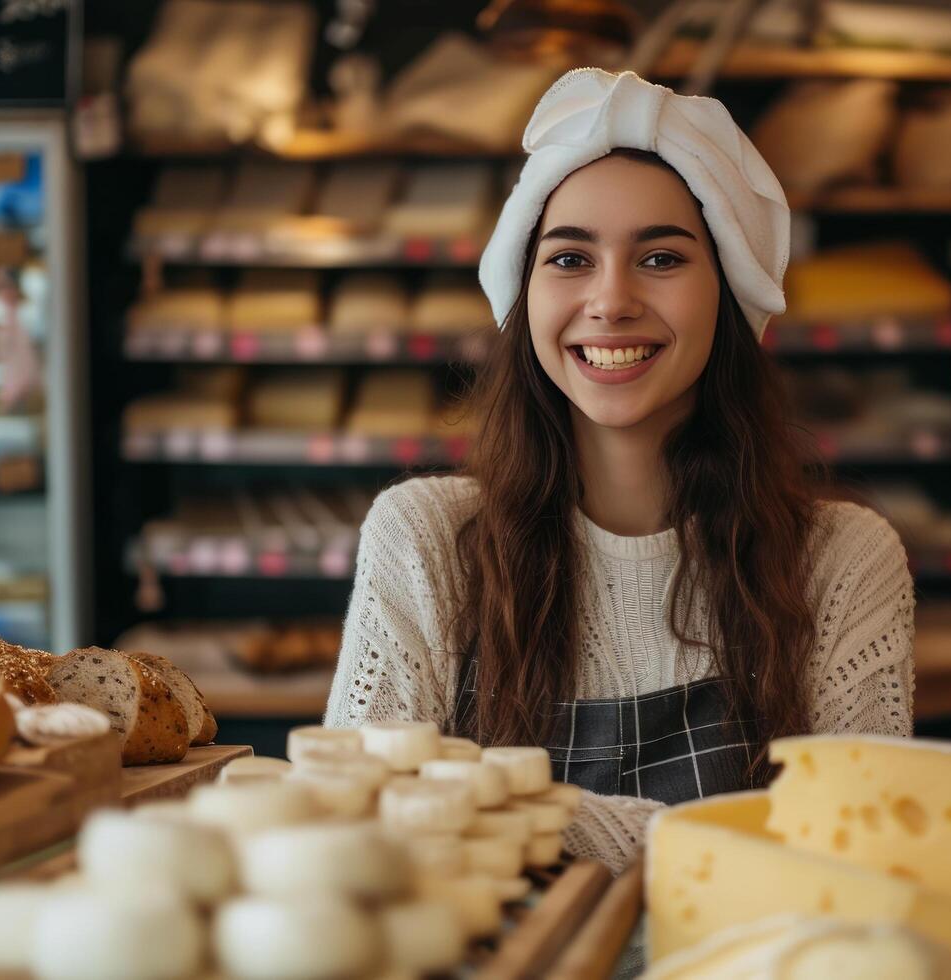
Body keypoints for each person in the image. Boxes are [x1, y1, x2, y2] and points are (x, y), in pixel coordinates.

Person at [326, 67, 913, 873]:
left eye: (661, 259)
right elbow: (357, 824)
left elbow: (862, 855)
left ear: (727, 294)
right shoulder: (425, 542)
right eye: (569, 259)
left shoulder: (842, 562)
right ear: (523, 295)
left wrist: (500, 807)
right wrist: (730, 841)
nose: (610, 300)